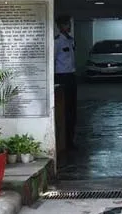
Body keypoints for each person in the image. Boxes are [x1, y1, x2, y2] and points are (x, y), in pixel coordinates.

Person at [54, 15, 77, 149]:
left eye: (69, 24)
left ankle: (71, 140)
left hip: (71, 76)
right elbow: (53, 60)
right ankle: (64, 141)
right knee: (64, 110)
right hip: (61, 77)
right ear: (59, 26)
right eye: (65, 24)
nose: (68, 26)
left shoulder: (70, 40)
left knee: (72, 109)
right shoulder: (57, 42)